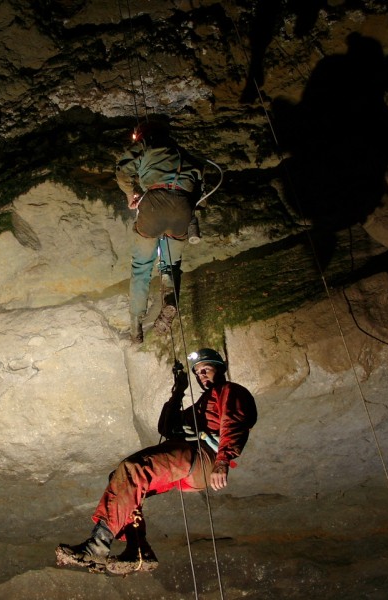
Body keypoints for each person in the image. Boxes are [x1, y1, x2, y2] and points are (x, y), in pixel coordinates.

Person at [56, 348, 257, 575]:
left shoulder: (230, 391)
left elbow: (233, 423)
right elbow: (166, 427)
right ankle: (139, 550)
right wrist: (178, 392)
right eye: (198, 373)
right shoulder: (203, 402)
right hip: (187, 460)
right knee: (122, 479)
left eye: (206, 369)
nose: (202, 376)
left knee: (135, 469)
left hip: (203, 457)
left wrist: (223, 461)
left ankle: (97, 546)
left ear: (220, 368)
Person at [115, 121, 203, 343]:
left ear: (142, 136)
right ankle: (169, 298)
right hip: (182, 211)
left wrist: (130, 195)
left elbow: (122, 172)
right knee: (170, 264)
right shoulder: (188, 158)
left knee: (142, 267)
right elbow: (200, 196)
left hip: (154, 204)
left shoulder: (147, 145)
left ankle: (136, 330)